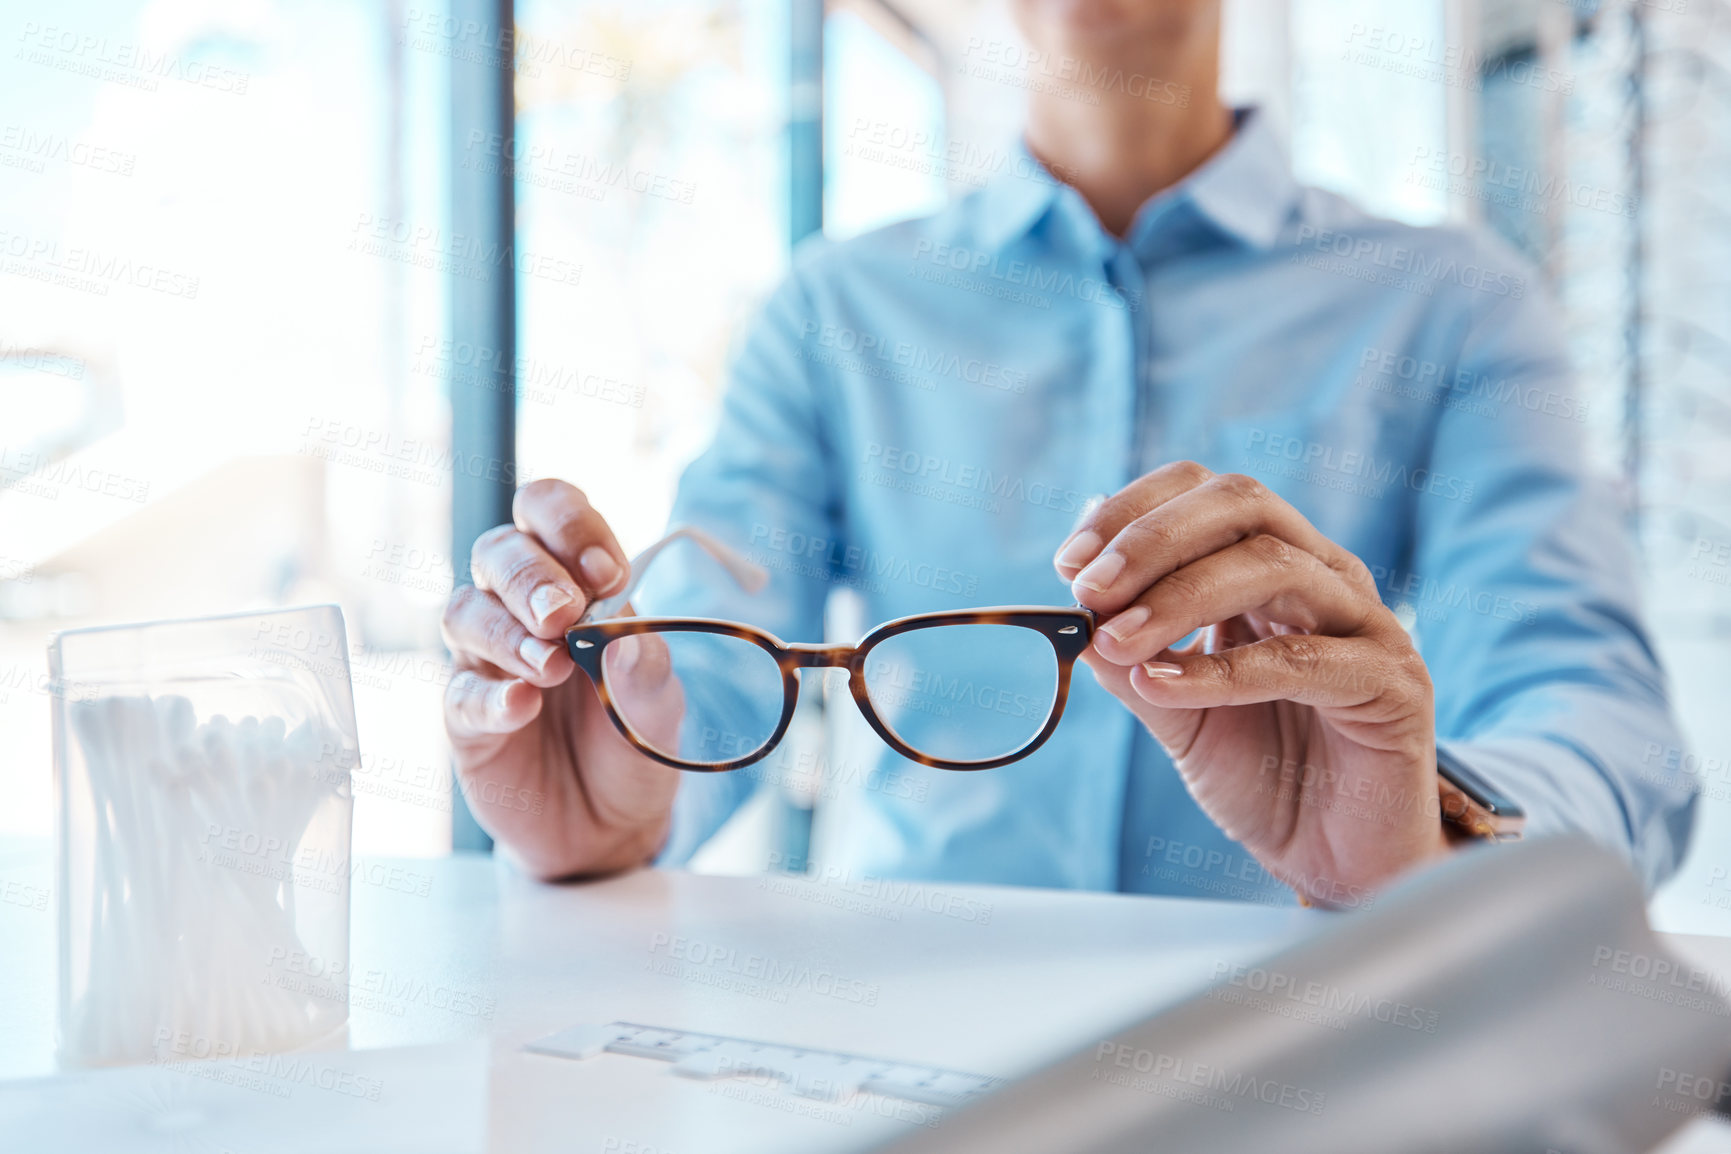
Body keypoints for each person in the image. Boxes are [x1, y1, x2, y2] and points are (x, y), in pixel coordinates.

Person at [439, 0, 1694, 904]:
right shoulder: (837, 311)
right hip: (908, 1058)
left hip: (1311, 1058)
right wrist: (622, 793)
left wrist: (1431, 836)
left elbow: (1605, 728)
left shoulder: (1450, 302)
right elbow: (705, 670)